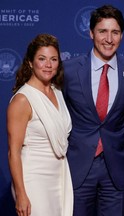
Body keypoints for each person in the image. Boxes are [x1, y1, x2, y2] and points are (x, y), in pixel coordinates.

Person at [62, 4, 124, 216]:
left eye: (115, 32)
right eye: (102, 31)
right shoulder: (68, 70)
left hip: (116, 169)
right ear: (91, 33)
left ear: (122, 36)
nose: (109, 39)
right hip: (77, 167)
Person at [7, 34, 73, 216]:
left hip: (59, 176)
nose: (48, 65)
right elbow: (13, 152)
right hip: (33, 180)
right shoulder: (22, 100)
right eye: (42, 59)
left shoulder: (57, 92)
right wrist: (21, 194)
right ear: (30, 62)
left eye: (53, 59)